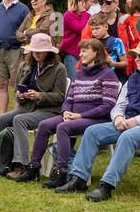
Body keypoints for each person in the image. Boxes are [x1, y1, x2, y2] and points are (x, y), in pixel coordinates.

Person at [55, 39, 140, 201]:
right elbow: (119, 103)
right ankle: (79, 178)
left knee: (128, 137)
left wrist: (136, 120)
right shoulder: (133, 78)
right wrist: (117, 117)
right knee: (92, 132)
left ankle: (107, 185)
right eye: (135, 55)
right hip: (128, 122)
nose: (136, 59)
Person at [0, 32, 67, 180]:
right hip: (26, 107)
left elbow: (60, 97)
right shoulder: (25, 65)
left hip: (49, 111)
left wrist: (39, 96)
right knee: (2, 119)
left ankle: (21, 165)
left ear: (49, 51)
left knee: (20, 120)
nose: (36, 54)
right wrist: (20, 95)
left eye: (40, 51)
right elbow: (17, 89)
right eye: (34, 51)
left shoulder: (59, 68)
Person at [33, 38, 121, 188]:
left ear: (96, 53)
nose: (80, 54)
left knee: (63, 128)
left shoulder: (108, 75)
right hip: (73, 115)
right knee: (44, 125)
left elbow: (108, 106)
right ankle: (33, 166)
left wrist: (81, 116)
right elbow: (69, 98)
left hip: (97, 118)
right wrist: (66, 111)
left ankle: (62, 171)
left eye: (84, 50)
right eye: (80, 51)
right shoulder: (79, 74)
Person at [88, 12, 127, 83]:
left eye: (97, 28)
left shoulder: (116, 42)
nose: (94, 32)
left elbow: (125, 63)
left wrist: (113, 63)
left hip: (112, 80)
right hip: (94, 80)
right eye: (92, 29)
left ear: (106, 27)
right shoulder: (91, 42)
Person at [60, 0, 91, 79]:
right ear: (82, 2)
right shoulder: (69, 15)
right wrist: (83, 12)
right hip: (72, 54)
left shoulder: (87, 15)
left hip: (84, 54)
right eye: (90, 1)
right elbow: (81, 29)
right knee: (74, 81)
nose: (91, 4)